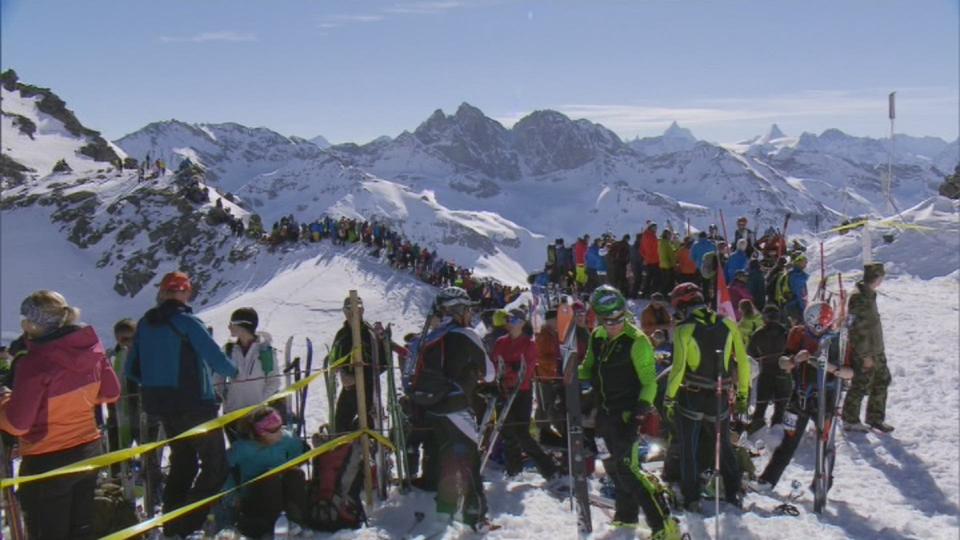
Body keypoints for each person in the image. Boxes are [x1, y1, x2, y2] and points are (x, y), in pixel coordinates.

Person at [126, 271, 239, 538]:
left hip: (161, 406)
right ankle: (188, 524)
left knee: (183, 463)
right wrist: (235, 372)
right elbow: (219, 361)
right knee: (215, 466)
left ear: (162, 293)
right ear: (186, 294)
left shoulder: (144, 324)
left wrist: (158, 382)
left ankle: (172, 524)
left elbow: (131, 369)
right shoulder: (188, 322)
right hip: (196, 405)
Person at [0, 290, 120, 540]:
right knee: (81, 528)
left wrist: (5, 402)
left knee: (47, 532)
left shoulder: (33, 363)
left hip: (47, 459)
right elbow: (111, 392)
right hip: (88, 450)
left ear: (32, 324)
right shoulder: (91, 350)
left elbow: (17, 424)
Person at [578, 286, 680, 538]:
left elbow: (649, 381)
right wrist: (571, 374)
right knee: (612, 466)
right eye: (607, 319)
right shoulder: (598, 336)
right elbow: (588, 366)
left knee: (629, 469)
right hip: (603, 414)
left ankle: (664, 524)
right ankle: (626, 516)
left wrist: (638, 415)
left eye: (618, 318)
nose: (613, 324)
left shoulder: (637, 341)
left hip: (626, 415)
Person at [412, 287, 494, 531]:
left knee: (447, 460)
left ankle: (444, 511)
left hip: (433, 407)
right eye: (467, 308)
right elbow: (490, 373)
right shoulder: (466, 334)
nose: (470, 313)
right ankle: (475, 517)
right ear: (458, 309)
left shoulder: (433, 336)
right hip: (456, 407)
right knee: (469, 461)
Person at [664, 283, 751, 511]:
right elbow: (743, 362)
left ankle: (692, 497)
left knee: (688, 449)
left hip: (691, 396)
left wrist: (668, 397)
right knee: (723, 446)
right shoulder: (729, 324)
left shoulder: (685, 329)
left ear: (683, 305)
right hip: (719, 396)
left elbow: (678, 368)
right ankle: (733, 492)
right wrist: (743, 393)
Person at [753, 302, 853, 491]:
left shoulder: (838, 340)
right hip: (799, 398)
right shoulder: (798, 334)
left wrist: (830, 367)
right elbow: (783, 362)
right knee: (788, 441)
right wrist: (794, 360)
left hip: (826, 399)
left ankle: (822, 482)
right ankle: (768, 480)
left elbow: (849, 372)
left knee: (825, 443)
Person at [222, 406, 308, 537]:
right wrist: (233, 497)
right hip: (254, 496)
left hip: (281, 491)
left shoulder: (287, 439)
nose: (280, 432)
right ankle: (273, 524)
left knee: (295, 474)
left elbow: (301, 454)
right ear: (261, 432)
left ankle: (296, 520)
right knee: (270, 478)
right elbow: (224, 472)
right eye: (274, 430)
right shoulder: (242, 448)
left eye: (281, 427)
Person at [493, 309, 559, 480]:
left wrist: (510, 369)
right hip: (503, 391)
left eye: (514, 320)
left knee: (522, 433)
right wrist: (505, 372)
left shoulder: (529, 344)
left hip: (521, 392)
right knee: (507, 433)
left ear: (522, 323)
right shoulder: (501, 342)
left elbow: (527, 369)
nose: (510, 323)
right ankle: (513, 469)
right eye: (508, 319)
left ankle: (549, 469)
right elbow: (496, 364)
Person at [842, 263, 894, 433]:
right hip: (866, 352)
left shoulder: (869, 294)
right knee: (860, 384)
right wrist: (865, 355)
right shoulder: (859, 298)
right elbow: (855, 328)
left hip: (876, 350)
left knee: (882, 380)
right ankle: (850, 419)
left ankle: (875, 418)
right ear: (877, 277)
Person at [328, 296, 387, 433]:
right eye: (348, 310)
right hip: (349, 390)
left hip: (369, 390)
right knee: (340, 427)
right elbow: (333, 361)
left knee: (369, 428)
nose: (352, 314)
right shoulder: (342, 335)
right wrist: (342, 374)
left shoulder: (370, 334)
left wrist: (362, 378)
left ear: (362, 311)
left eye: (357, 309)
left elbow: (383, 364)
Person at [217, 308, 281, 433]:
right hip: (232, 414)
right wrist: (227, 400)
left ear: (242, 325)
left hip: (258, 415)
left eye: (232, 323)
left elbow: (274, 381)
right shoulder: (228, 350)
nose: (229, 327)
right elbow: (217, 380)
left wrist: (259, 402)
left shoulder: (264, 351)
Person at [746, 305, 791, 433]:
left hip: (766, 374)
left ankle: (758, 432)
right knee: (780, 408)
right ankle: (775, 433)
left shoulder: (758, 334)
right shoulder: (786, 332)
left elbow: (751, 354)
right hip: (783, 374)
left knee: (761, 408)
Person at [534, 309, 565, 447]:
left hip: (554, 375)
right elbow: (540, 356)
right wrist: (556, 361)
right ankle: (544, 434)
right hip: (545, 376)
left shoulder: (554, 334)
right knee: (546, 406)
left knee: (552, 406)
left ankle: (549, 433)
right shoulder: (544, 335)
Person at [778, 255, 809, 324]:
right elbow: (799, 294)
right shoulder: (797, 277)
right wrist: (803, 309)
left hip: (789, 304)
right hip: (795, 306)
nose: (805, 265)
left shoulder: (790, 274)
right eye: (804, 262)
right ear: (799, 263)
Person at [640, 224, 660, 298]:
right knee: (655, 278)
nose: (656, 229)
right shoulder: (652, 237)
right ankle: (653, 294)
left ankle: (644, 293)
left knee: (648, 278)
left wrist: (646, 257)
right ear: (651, 228)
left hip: (648, 261)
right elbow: (656, 249)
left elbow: (641, 250)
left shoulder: (644, 236)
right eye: (654, 228)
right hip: (654, 260)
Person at [658, 229, 677, 296]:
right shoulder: (667, 243)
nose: (670, 236)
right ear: (667, 235)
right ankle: (666, 295)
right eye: (669, 234)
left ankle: (662, 294)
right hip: (668, 265)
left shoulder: (660, 242)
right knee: (669, 282)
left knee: (663, 281)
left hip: (662, 264)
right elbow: (671, 255)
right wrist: (674, 264)